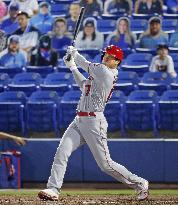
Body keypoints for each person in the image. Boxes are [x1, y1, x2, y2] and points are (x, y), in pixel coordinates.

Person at [38, 44, 149, 201]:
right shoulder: (99, 74)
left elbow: (87, 65)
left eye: (111, 57)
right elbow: (84, 87)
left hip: (94, 122)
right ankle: (53, 188)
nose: (106, 58)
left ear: (117, 61)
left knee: (105, 165)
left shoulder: (106, 72)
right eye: (106, 55)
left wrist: (74, 54)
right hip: (79, 120)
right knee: (62, 152)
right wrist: (72, 68)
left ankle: (140, 183)